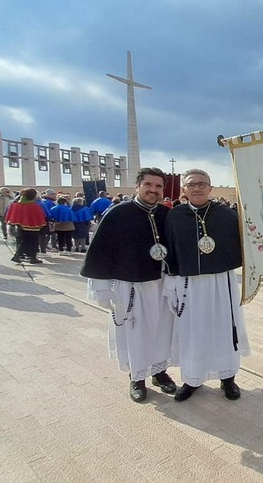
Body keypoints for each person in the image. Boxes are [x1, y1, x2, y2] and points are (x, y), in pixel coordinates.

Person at [80, 167, 178, 402]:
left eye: (158, 186)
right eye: (148, 185)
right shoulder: (117, 214)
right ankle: (137, 377)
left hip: (161, 284)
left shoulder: (166, 215)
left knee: (162, 331)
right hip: (131, 285)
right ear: (138, 186)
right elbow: (101, 252)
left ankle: (159, 372)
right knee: (136, 333)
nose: (153, 190)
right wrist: (102, 288)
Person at [164, 169, 250, 402]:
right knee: (192, 332)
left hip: (221, 281)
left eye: (202, 184)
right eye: (192, 184)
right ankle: (192, 378)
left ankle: (228, 378)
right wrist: (170, 282)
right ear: (184, 189)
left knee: (224, 329)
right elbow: (170, 250)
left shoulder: (227, 215)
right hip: (189, 283)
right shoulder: (175, 216)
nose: (197, 188)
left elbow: (246, 243)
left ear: (210, 188)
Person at [5, 188, 47, 264]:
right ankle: (33, 258)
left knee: (24, 242)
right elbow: (40, 216)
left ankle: (17, 255)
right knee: (33, 242)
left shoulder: (17, 204)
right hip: (34, 228)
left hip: (21, 227)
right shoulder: (34, 206)